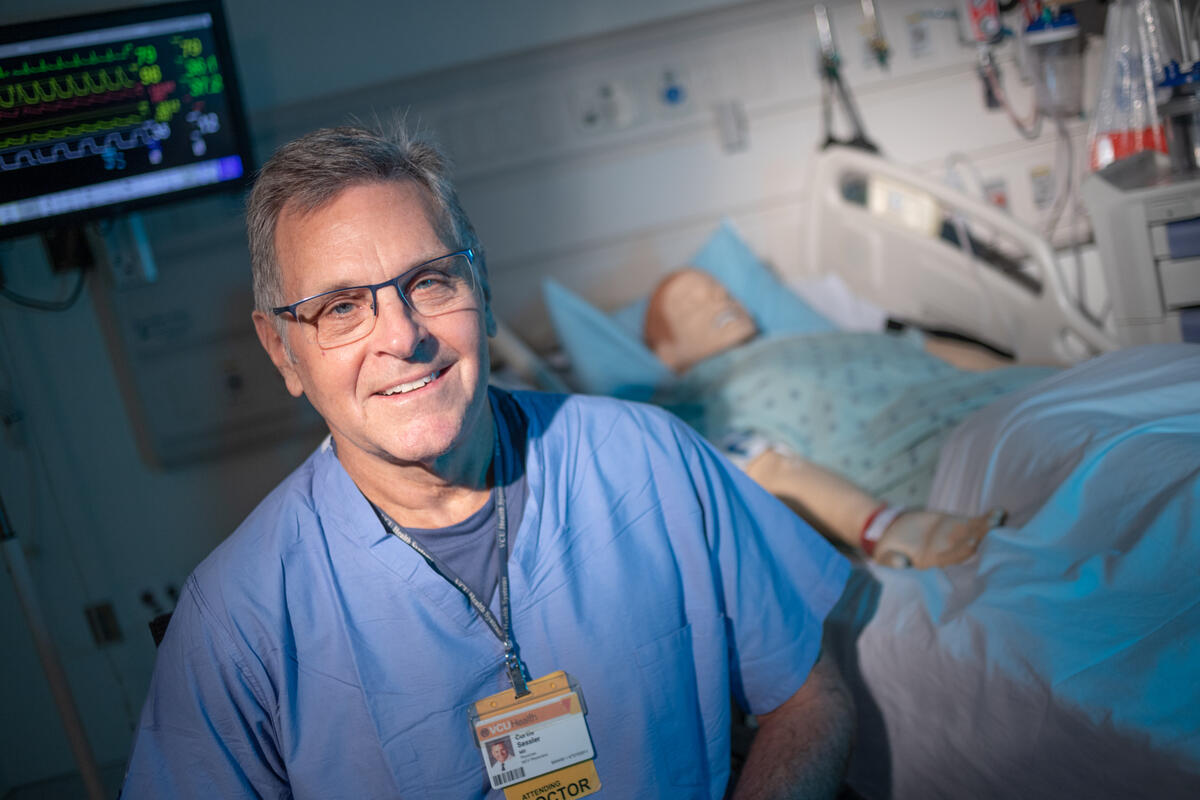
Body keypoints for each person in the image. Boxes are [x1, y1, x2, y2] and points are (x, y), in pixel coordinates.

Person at [120, 125, 854, 799]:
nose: (402, 336)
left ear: (484, 290)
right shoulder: (237, 621)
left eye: (429, 280)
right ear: (283, 349)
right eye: (342, 307)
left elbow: (807, 696)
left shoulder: (650, 464)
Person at [644, 267, 1002, 569]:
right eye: (691, 305)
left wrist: (1036, 376)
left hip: (1005, 395)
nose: (718, 301)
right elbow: (764, 467)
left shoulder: (813, 338)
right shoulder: (697, 402)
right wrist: (887, 527)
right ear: (666, 353)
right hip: (955, 450)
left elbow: (923, 350)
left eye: (722, 292)